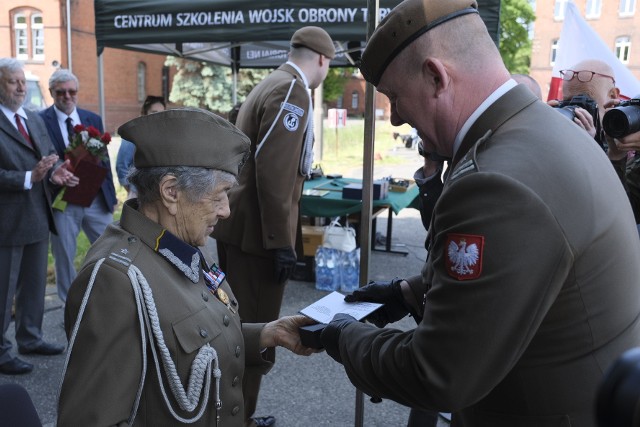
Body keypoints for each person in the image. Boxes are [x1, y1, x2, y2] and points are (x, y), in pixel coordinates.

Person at [318, 1, 640, 426]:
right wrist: (409, 291)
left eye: (395, 97)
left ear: (436, 76)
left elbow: (436, 374)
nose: (395, 118)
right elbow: (525, 267)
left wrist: (344, 336)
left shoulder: (495, 181)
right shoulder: (544, 130)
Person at [57, 108, 319, 426]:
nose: (225, 211)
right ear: (171, 192)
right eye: (220, 195)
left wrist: (266, 334)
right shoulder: (116, 278)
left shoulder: (173, 242)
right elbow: (88, 418)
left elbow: (183, 342)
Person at [212, 26, 335, 427]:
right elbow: (275, 171)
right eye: (329, 67)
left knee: (237, 328)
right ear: (321, 58)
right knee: (256, 337)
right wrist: (281, 241)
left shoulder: (272, 81)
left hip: (242, 227)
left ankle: (235, 414)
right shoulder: (293, 90)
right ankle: (239, 419)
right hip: (258, 236)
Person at [0, 58, 77, 375]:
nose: (20, 87)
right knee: (4, 291)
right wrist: (29, 177)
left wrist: (57, 174)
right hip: (7, 222)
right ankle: (2, 352)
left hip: (36, 215)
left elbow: (48, 158)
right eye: (12, 82)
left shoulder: (31, 118)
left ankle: (30, 338)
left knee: (32, 286)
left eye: (22, 81)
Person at [39, 69, 117, 303]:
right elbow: (42, 157)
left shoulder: (92, 118)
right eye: (61, 92)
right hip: (62, 200)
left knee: (111, 248)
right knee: (64, 255)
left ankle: (110, 298)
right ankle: (70, 305)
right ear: (52, 92)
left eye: (72, 91)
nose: (67, 96)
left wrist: (111, 196)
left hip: (96, 198)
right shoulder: (40, 121)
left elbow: (104, 159)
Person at [116, 95, 166, 200]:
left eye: (161, 113)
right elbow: (121, 165)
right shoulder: (133, 135)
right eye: (154, 112)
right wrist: (131, 191)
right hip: (138, 195)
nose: (158, 116)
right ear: (144, 113)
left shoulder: (163, 136)